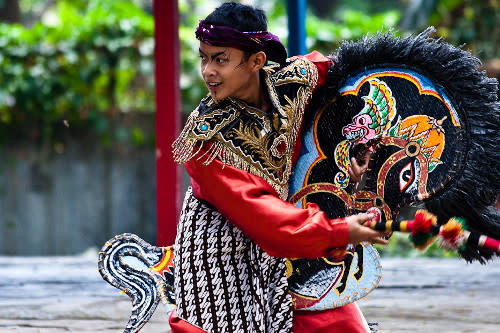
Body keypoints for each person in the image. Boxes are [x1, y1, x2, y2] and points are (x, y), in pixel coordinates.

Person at [170, 2, 388, 332]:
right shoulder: (206, 140)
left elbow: (348, 74)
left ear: (257, 60)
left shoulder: (293, 82)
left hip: (290, 243)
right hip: (220, 262)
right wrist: (340, 230)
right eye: (204, 56)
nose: (207, 71)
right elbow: (263, 215)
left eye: (220, 59)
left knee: (341, 324)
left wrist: (363, 145)